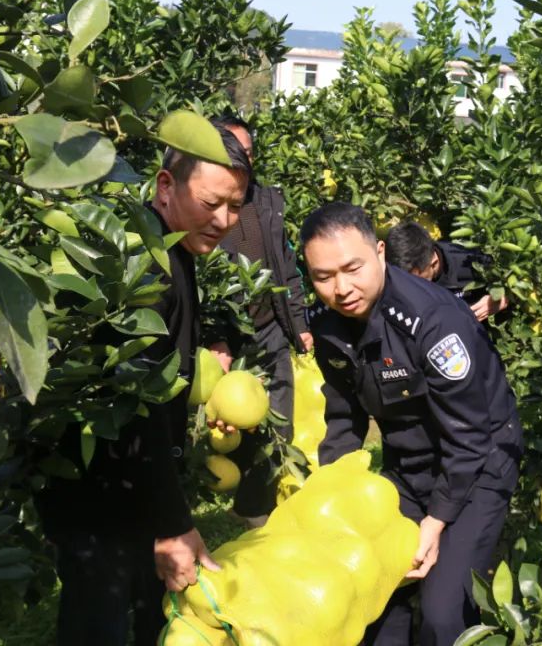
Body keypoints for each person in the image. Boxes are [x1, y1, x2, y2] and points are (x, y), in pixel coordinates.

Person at [35, 126, 252, 646]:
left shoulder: (169, 250)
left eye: (236, 206)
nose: (224, 221)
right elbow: (137, 409)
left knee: (143, 619)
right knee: (99, 626)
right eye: (211, 203)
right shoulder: (146, 270)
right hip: (102, 499)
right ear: (164, 186)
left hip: (126, 493)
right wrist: (171, 524)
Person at [301, 202, 523, 646]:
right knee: (373, 595)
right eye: (323, 277)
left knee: (443, 615)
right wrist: (332, 497)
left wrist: (434, 523)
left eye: (353, 268)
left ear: (380, 252)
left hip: (478, 464)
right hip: (409, 466)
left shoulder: (433, 321)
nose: (341, 288)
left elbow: (468, 437)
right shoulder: (330, 328)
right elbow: (344, 419)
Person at [207, 115, 313, 526]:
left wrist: (299, 321)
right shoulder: (205, 208)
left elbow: (286, 265)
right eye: (235, 153)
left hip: (269, 326)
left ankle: (254, 509)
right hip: (227, 334)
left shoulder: (268, 200)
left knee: (277, 422)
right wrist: (216, 337)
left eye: (249, 153)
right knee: (225, 425)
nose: (244, 161)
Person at [384, 221, 507, 322]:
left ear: (434, 263)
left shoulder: (471, 261)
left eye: (414, 280)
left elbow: (513, 281)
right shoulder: (391, 275)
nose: (408, 287)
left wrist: (499, 299)